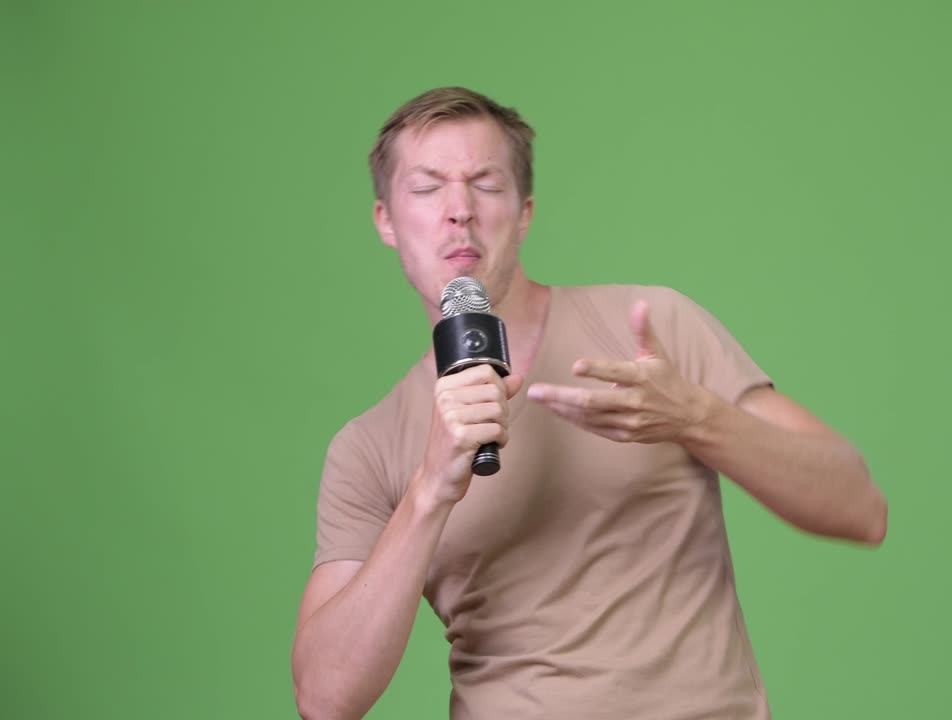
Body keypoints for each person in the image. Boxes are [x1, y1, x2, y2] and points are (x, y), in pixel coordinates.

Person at [290, 86, 888, 720]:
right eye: (428, 187)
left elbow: (860, 507)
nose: (459, 210)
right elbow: (326, 698)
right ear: (385, 219)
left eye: (485, 184)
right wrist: (430, 488)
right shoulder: (370, 445)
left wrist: (697, 418)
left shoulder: (651, 331)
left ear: (524, 212)